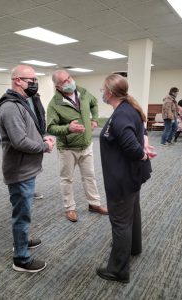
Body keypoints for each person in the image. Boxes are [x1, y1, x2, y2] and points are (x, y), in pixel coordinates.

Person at [0, 64, 55, 273]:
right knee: (22, 214)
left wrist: (43, 135)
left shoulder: (24, 102)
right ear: (17, 80)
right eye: (31, 80)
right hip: (19, 171)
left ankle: (22, 241)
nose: (34, 84)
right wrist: (44, 146)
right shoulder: (10, 107)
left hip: (27, 168)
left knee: (24, 211)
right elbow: (20, 141)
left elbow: (33, 127)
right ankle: (21, 258)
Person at [97, 74, 154, 283]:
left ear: (110, 92)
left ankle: (118, 270)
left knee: (120, 221)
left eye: (103, 89)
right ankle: (133, 248)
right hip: (131, 176)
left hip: (121, 178)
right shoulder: (129, 108)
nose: (102, 92)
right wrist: (144, 144)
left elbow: (131, 146)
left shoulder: (121, 115)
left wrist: (142, 152)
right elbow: (142, 128)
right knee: (132, 213)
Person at [47, 70, 108, 222]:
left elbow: (94, 103)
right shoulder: (54, 104)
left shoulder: (83, 92)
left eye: (69, 78)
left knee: (90, 176)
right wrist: (68, 128)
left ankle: (94, 204)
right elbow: (50, 128)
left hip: (86, 144)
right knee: (67, 179)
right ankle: (70, 208)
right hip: (68, 148)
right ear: (58, 87)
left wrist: (94, 119)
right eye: (64, 81)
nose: (69, 82)